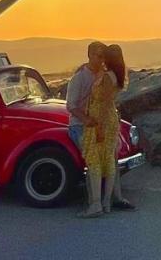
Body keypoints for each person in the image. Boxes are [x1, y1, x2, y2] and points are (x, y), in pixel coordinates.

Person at [80, 48, 122, 217]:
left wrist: (99, 127)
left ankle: (96, 204)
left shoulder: (106, 77)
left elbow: (104, 103)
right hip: (110, 119)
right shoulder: (115, 75)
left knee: (95, 160)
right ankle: (106, 202)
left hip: (100, 120)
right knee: (109, 159)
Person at [66, 41, 107, 214]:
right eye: (97, 55)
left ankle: (109, 199)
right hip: (80, 126)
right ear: (89, 55)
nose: (100, 59)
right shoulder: (79, 78)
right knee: (93, 161)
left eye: (102, 56)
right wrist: (86, 119)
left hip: (98, 125)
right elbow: (71, 105)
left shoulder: (102, 75)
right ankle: (93, 203)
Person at [104, 44, 135, 211]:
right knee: (113, 160)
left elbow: (104, 100)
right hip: (113, 116)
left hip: (106, 117)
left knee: (108, 160)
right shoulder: (119, 75)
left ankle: (106, 201)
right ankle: (117, 196)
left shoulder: (108, 76)